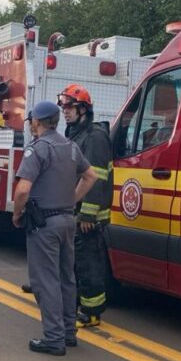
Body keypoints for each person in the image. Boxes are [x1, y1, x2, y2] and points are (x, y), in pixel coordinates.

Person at [13, 101, 98, 356]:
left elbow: (23, 189)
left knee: (45, 281)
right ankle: (69, 333)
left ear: (36, 122)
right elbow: (91, 176)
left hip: (44, 225)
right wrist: (72, 200)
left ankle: (54, 338)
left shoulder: (37, 149)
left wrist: (17, 214)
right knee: (66, 278)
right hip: (67, 220)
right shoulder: (71, 147)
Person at [59, 84, 113, 328]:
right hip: (76, 211)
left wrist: (88, 215)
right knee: (76, 262)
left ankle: (92, 313)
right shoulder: (75, 133)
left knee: (88, 263)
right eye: (63, 106)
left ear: (83, 109)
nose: (65, 111)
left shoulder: (95, 137)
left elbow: (97, 177)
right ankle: (80, 305)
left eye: (69, 107)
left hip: (88, 215)